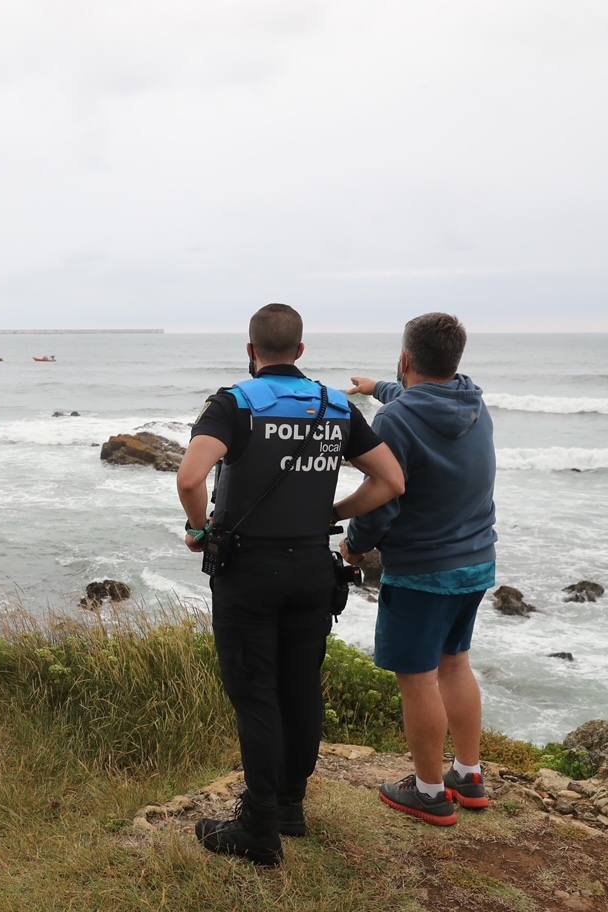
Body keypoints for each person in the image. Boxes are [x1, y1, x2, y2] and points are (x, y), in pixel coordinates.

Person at [175, 303, 405, 865]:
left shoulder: (233, 404)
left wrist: (200, 529)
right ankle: (289, 807)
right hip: (310, 569)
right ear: (300, 351)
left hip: (248, 573)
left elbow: (190, 476)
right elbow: (391, 480)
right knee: (300, 687)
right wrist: (334, 513)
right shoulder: (334, 405)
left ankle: (258, 826)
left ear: (250, 351)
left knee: (255, 693)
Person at [343, 313, 497, 827]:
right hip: (475, 562)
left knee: (418, 679)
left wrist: (354, 546)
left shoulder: (394, 422)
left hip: (422, 571)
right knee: (456, 663)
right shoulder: (474, 400)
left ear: (406, 358)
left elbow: (382, 502)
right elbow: (418, 397)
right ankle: (468, 775)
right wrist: (377, 387)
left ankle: (429, 792)